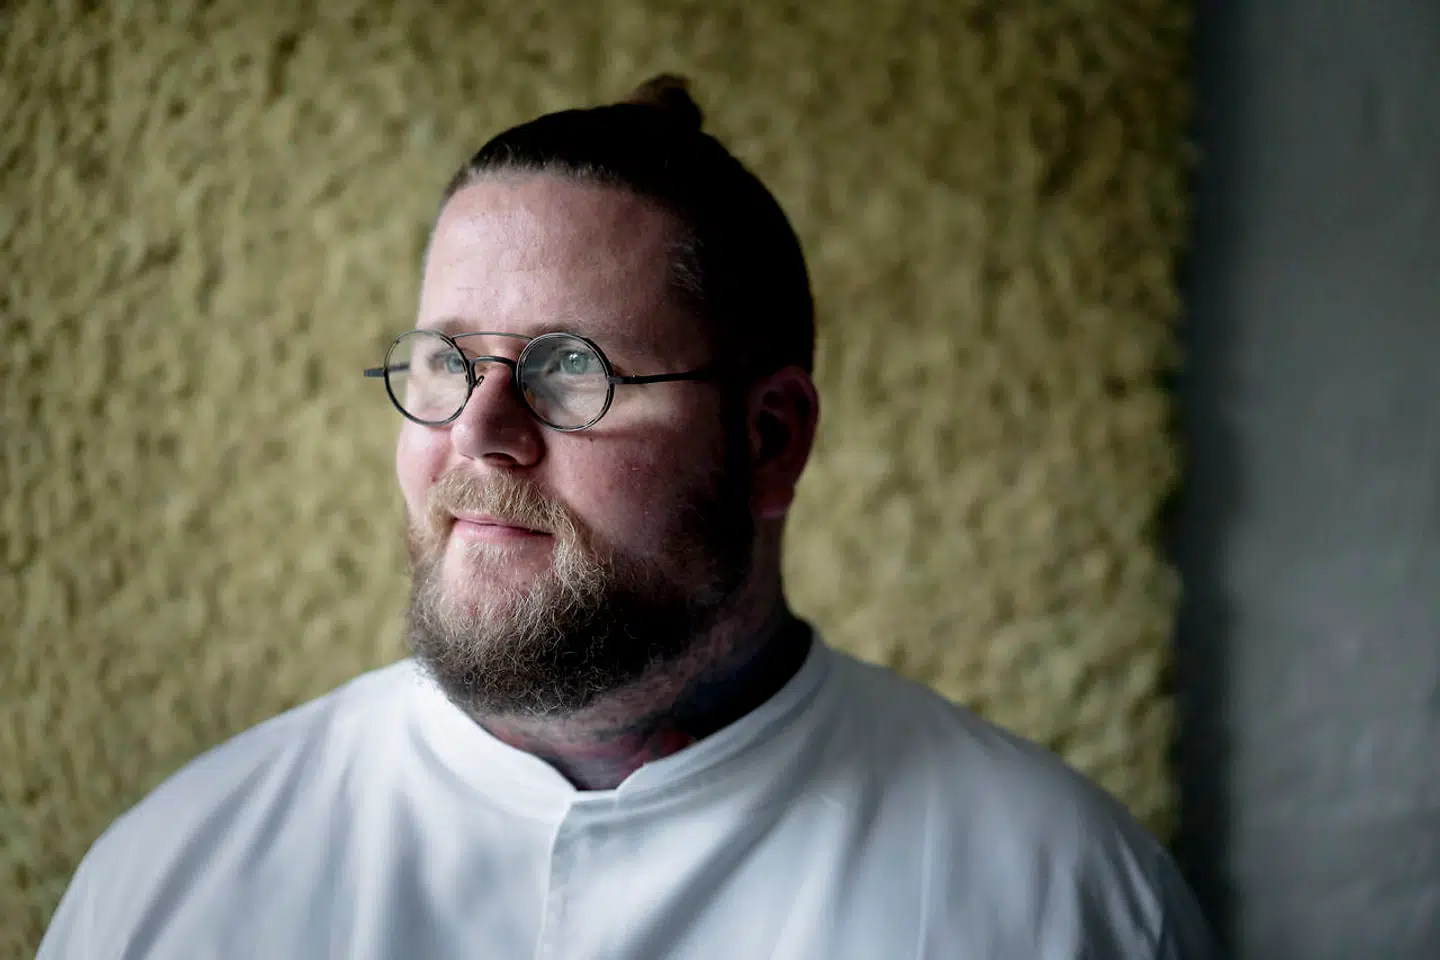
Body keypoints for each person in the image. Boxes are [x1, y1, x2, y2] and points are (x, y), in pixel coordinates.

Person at [39, 75, 1217, 959]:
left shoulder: (1058, 898)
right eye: (446, 361)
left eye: (571, 369)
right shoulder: (173, 885)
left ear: (771, 440)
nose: (478, 432)